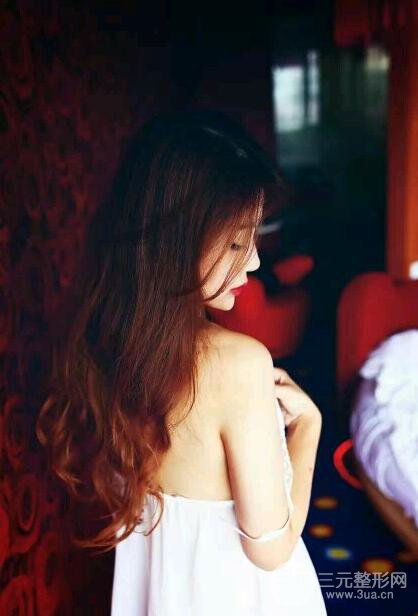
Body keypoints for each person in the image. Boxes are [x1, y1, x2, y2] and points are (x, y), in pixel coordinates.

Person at [36, 109, 327, 615]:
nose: (254, 261)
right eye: (236, 241)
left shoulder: (109, 343)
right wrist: (309, 428)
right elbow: (270, 550)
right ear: (176, 240)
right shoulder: (238, 365)